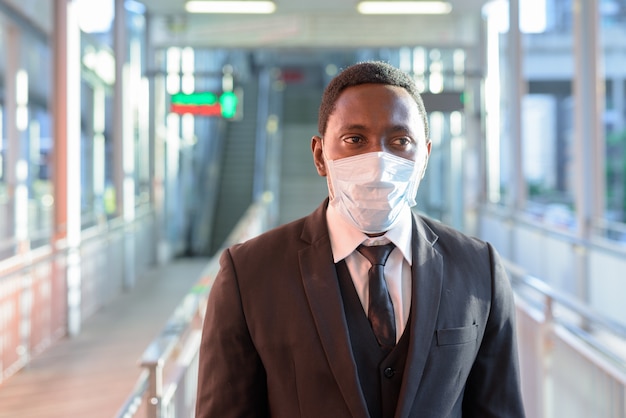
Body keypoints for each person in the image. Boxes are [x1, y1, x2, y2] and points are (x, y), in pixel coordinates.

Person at [195, 61, 526, 418]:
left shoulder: (478, 270)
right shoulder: (249, 274)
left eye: (400, 141)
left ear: (425, 157)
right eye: (355, 140)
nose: (379, 162)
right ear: (320, 155)